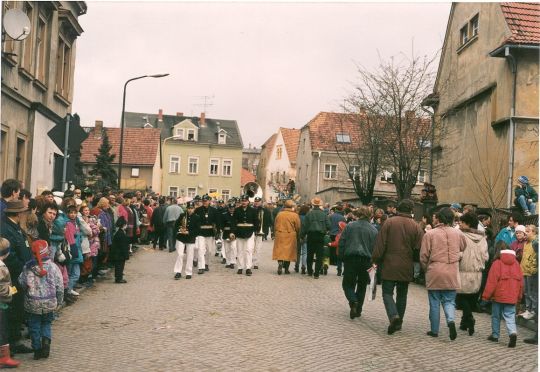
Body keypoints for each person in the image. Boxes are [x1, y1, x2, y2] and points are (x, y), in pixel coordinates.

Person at [372, 199, 424, 335]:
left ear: (397, 209)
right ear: (411, 211)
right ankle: (398, 321)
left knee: (387, 293)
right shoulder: (416, 226)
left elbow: (380, 244)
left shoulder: (389, 222)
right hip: (406, 265)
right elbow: (419, 248)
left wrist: (375, 260)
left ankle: (393, 316)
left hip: (389, 263)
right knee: (402, 295)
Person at [420, 207, 467, 340]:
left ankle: (434, 330)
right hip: (451, 270)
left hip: (435, 269)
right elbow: (463, 247)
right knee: (449, 301)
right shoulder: (458, 234)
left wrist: (426, 269)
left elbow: (423, 256)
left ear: (438, 218)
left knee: (434, 302)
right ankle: (451, 320)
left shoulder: (430, 234)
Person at [18, 240, 63, 360]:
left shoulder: (27, 267)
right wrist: (59, 300)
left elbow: (22, 282)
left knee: (34, 326)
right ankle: (46, 342)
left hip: (33, 302)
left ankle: (37, 349)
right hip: (49, 302)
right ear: (47, 251)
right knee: (47, 323)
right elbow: (60, 286)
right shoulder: (53, 267)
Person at [0, 200, 33, 355]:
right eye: (24, 212)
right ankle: (11, 343)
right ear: (19, 214)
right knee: (13, 310)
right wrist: (22, 267)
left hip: (18, 276)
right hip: (12, 277)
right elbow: (9, 255)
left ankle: (14, 341)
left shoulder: (15, 228)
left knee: (18, 309)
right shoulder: (6, 229)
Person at [338, 207, 378, 320]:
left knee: (347, 284)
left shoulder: (350, 226)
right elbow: (375, 248)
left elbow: (342, 241)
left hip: (351, 258)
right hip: (366, 261)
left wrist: (341, 257)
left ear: (358, 214)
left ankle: (353, 300)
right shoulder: (374, 230)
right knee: (362, 285)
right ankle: (358, 309)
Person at [482, 247, 524, 348]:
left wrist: (486, 296)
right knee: (510, 316)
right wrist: (519, 296)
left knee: (496, 316)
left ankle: (495, 335)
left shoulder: (497, 263)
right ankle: (512, 332)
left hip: (498, 295)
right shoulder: (517, 264)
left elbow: (492, 281)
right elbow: (521, 283)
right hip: (512, 296)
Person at [456, 212, 488, 336]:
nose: (460, 224)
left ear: (468, 224)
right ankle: (464, 323)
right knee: (470, 298)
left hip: (463, 270)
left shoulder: (462, 236)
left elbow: (459, 252)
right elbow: (485, 255)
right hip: (477, 272)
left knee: (461, 297)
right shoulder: (483, 238)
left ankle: (469, 318)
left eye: (462, 222)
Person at [0, 238, 21, 367]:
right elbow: (2, 287)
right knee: (3, 330)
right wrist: (10, 292)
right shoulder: (2, 267)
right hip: (1, 302)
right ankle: (4, 358)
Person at [301, 198, 330, 279]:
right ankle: (316, 273)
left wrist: (302, 236)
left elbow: (304, 227)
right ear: (319, 204)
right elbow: (329, 226)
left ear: (313, 205)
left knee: (310, 254)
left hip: (311, 236)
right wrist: (324, 230)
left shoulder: (309, 214)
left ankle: (310, 271)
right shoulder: (324, 214)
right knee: (319, 255)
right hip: (320, 236)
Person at [231, 195, 259, 276]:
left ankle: (248, 268)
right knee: (239, 250)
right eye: (242, 201)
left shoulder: (253, 210)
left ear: (248, 201)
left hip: (250, 232)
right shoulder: (237, 210)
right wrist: (232, 232)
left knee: (249, 250)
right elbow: (233, 222)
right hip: (239, 232)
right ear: (241, 202)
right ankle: (240, 267)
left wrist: (256, 230)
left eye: (245, 201)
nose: (244, 202)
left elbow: (256, 221)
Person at [272, 200, 301, 275]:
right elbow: (298, 227)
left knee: (280, 251)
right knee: (289, 252)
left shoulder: (280, 214)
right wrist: (298, 233)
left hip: (280, 234)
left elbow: (275, 224)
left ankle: (280, 263)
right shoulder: (295, 215)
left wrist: (275, 232)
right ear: (292, 207)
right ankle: (286, 269)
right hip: (290, 235)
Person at [173, 202, 200, 280]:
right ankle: (178, 272)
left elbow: (198, 230)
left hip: (190, 238)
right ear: (186, 208)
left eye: (191, 208)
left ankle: (188, 272)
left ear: (194, 209)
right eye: (189, 208)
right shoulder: (182, 215)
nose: (190, 210)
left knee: (190, 256)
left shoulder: (197, 217)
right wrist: (179, 229)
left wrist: (189, 232)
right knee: (180, 254)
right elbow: (176, 225)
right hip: (181, 237)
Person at [519, 225, 538, 321]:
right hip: (524, 270)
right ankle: (528, 309)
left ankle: (534, 311)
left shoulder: (536, 243)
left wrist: (534, 268)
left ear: (534, 232)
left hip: (532, 272)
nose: (526, 233)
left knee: (532, 292)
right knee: (526, 292)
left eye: (528, 231)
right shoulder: (526, 243)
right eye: (525, 231)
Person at [194, 195, 217, 271]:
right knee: (201, 250)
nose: (204, 202)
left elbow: (217, 221)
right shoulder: (198, 210)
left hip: (210, 232)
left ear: (209, 201)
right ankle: (201, 267)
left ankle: (206, 263)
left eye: (206, 201)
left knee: (209, 250)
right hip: (201, 232)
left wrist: (218, 231)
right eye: (203, 201)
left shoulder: (214, 210)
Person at [252, 197, 271, 270]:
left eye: (258, 201)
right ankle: (250, 261)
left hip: (260, 232)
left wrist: (264, 231)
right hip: (252, 231)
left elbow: (267, 222)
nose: (256, 202)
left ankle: (256, 263)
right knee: (251, 248)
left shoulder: (265, 211)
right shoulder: (251, 209)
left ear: (261, 202)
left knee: (258, 248)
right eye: (255, 201)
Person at [110, 217, 130, 283]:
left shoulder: (119, 232)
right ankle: (119, 278)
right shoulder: (121, 234)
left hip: (118, 253)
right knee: (120, 266)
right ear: (124, 225)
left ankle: (119, 277)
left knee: (119, 266)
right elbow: (123, 246)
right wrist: (126, 254)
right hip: (119, 253)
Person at [329, 205, 346, 276]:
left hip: (331, 233)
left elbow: (329, 224)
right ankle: (336, 261)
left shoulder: (331, 216)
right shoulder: (342, 217)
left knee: (332, 247)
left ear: (336, 209)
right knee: (338, 247)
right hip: (339, 233)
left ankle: (331, 260)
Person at [219, 202, 237, 269]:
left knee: (234, 248)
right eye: (230, 208)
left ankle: (232, 262)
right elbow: (221, 224)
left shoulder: (237, 215)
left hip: (234, 234)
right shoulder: (224, 215)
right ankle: (228, 262)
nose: (231, 209)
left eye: (233, 208)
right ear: (228, 208)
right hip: (226, 233)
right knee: (227, 249)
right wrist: (221, 229)